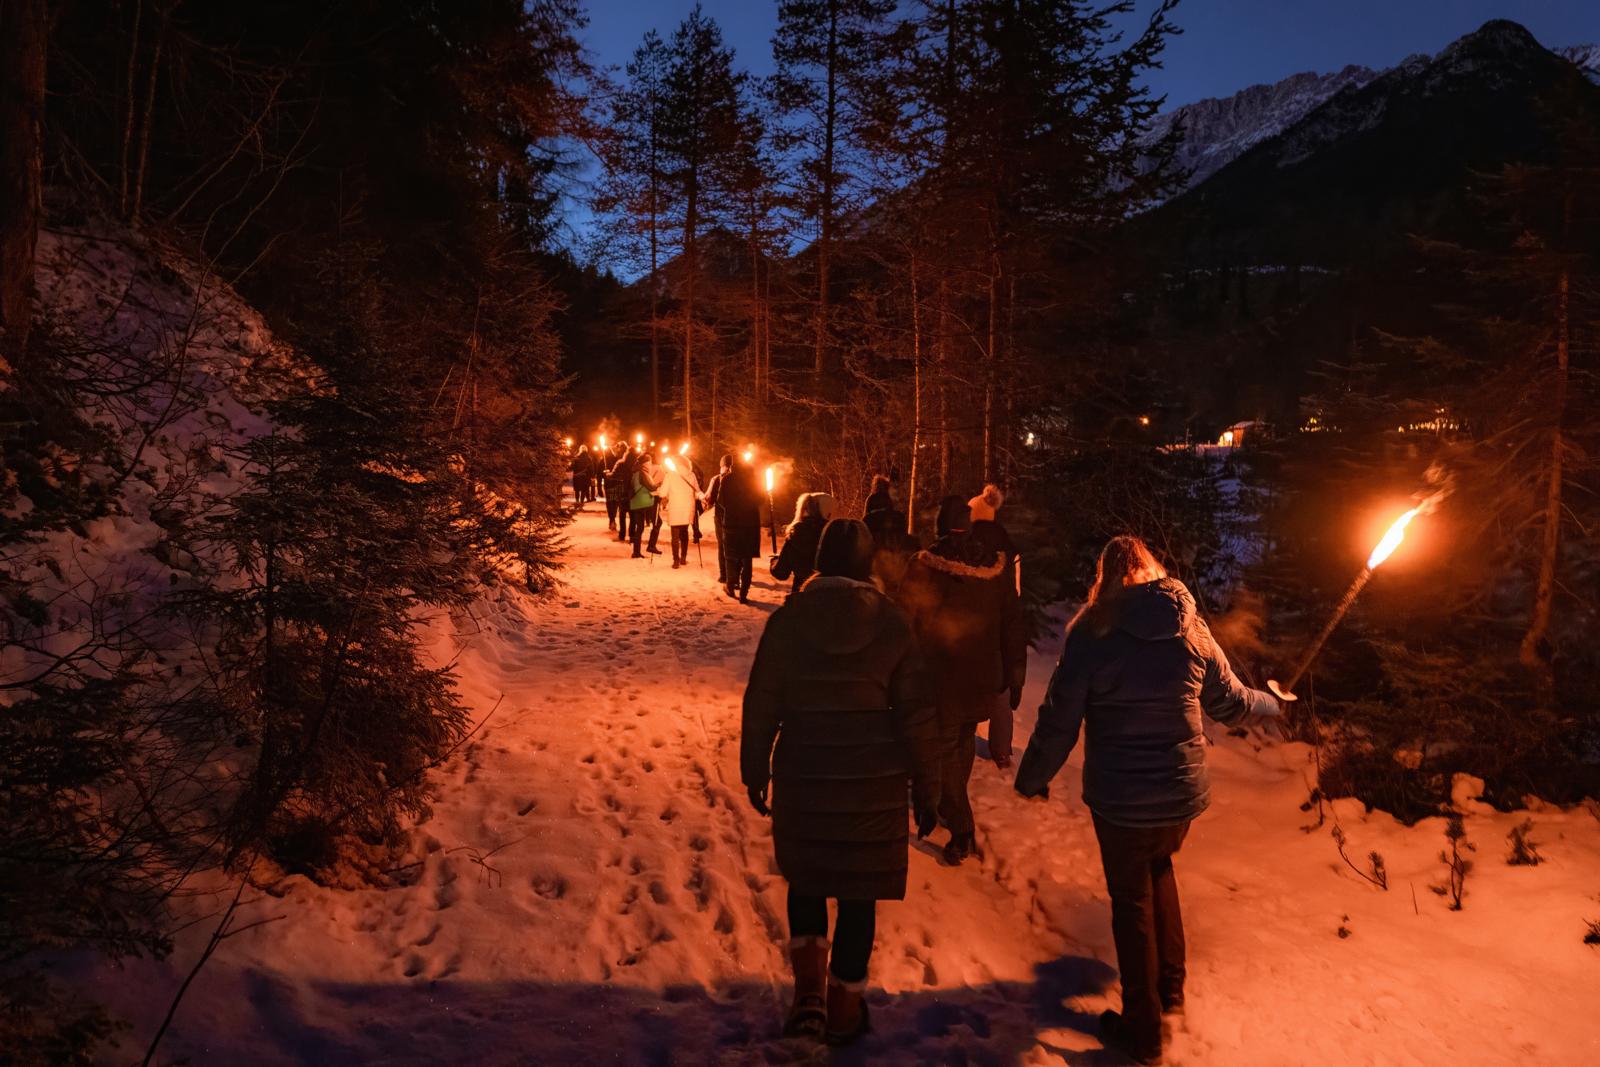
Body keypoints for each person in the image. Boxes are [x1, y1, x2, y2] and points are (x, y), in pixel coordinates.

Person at [1014, 536, 1282, 1065]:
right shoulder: (1188, 624)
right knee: (1160, 869)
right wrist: (1271, 705)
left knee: (1132, 898)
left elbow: (1060, 718)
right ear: (1153, 570)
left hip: (1121, 799)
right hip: (1179, 794)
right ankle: (1171, 990)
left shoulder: (1093, 632)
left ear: (1108, 577)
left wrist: (1032, 777)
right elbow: (1230, 704)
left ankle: (1142, 1027)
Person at [741, 518, 942, 1046]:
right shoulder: (893, 624)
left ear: (822, 562)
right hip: (871, 787)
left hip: (805, 776)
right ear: (866, 566)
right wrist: (928, 786)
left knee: (806, 882)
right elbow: (917, 714)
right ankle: (845, 1008)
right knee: (859, 894)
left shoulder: (789, 622)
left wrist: (754, 767)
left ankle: (808, 999)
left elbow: (763, 701)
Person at [896, 496, 1026, 864]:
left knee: (943, 749)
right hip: (983, 677)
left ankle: (960, 826)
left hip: (943, 678)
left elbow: (904, 620)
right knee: (962, 739)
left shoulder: (926, 566)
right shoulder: (994, 566)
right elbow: (1013, 622)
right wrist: (1015, 672)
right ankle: (952, 806)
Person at [771, 492, 834, 599]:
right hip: (828, 596)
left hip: (801, 595)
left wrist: (774, 562)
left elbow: (781, 573)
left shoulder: (796, 533)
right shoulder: (833, 532)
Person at [717, 454, 762, 602]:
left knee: (731, 557)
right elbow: (761, 499)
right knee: (747, 558)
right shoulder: (755, 480)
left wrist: (732, 508)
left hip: (732, 524)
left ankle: (730, 586)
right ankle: (744, 592)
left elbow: (721, 501)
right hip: (750, 525)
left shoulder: (728, 479)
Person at [657, 457, 701, 569]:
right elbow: (697, 491)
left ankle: (675, 560)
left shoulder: (670, 475)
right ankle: (683, 558)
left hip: (675, 508)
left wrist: (660, 491)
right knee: (684, 533)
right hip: (687, 508)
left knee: (675, 536)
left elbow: (662, 493)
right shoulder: (691, 475)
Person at [628, 452, 664, 559]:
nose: (650, 464)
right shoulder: (643, 472)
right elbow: (651, 487)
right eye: (649, 462)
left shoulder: (636, 471)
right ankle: (651, 546)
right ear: (645, 463)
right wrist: (659, 484)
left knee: (639, 527)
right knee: (658, 522)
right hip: (645, 502)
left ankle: (636, 552)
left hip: (637, 502)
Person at [605, 443, 632, 538]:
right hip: (633, 491)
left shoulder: (621, 463)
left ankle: (622, 534)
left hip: (622, 490)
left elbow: (613, 475)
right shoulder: (636, 463)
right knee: (632, 514)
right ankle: (632, 535)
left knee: (622, 513)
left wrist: (608, 474)